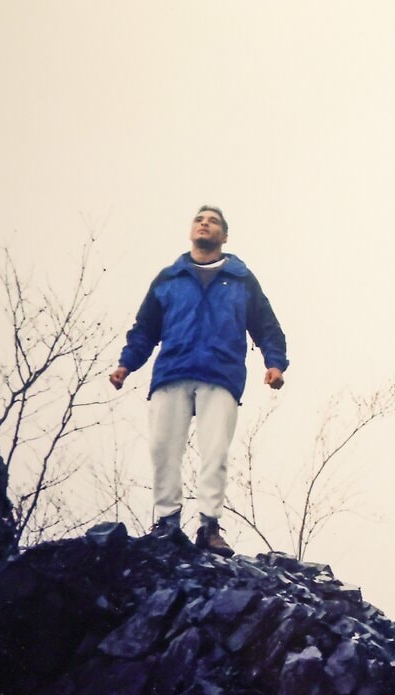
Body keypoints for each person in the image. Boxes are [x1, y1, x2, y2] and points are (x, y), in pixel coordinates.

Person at [109, 206, 289, 555]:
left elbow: (267, 327)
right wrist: (126, 365)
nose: (205, 224)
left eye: (214, 222)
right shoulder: (169, 278)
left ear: (224, 236)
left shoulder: (240, 279)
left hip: (220, 373)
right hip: (173, 371)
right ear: (191, 231)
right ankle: (166, 522)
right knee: (163, 447)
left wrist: (275, 364)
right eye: (199, 219)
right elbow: (145, 329)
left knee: (214, 451)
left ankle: (209, 526)